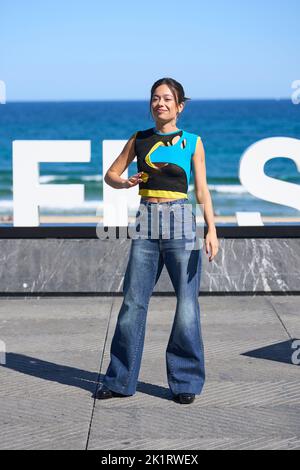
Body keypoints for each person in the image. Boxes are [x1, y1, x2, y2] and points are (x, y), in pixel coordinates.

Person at [96, 77, 219, 404]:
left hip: (181, 221)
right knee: (133, 302)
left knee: (187, 306)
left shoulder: (192, 141)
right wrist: (124, 183)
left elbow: (202, 190)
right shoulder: (139, 139)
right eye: (155, 98)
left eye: (167, 99)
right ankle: (120, 379)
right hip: (146, 221)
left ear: (179, 106)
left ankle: (185, 382)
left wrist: (211, 229)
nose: (160, 103)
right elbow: (110, 173)